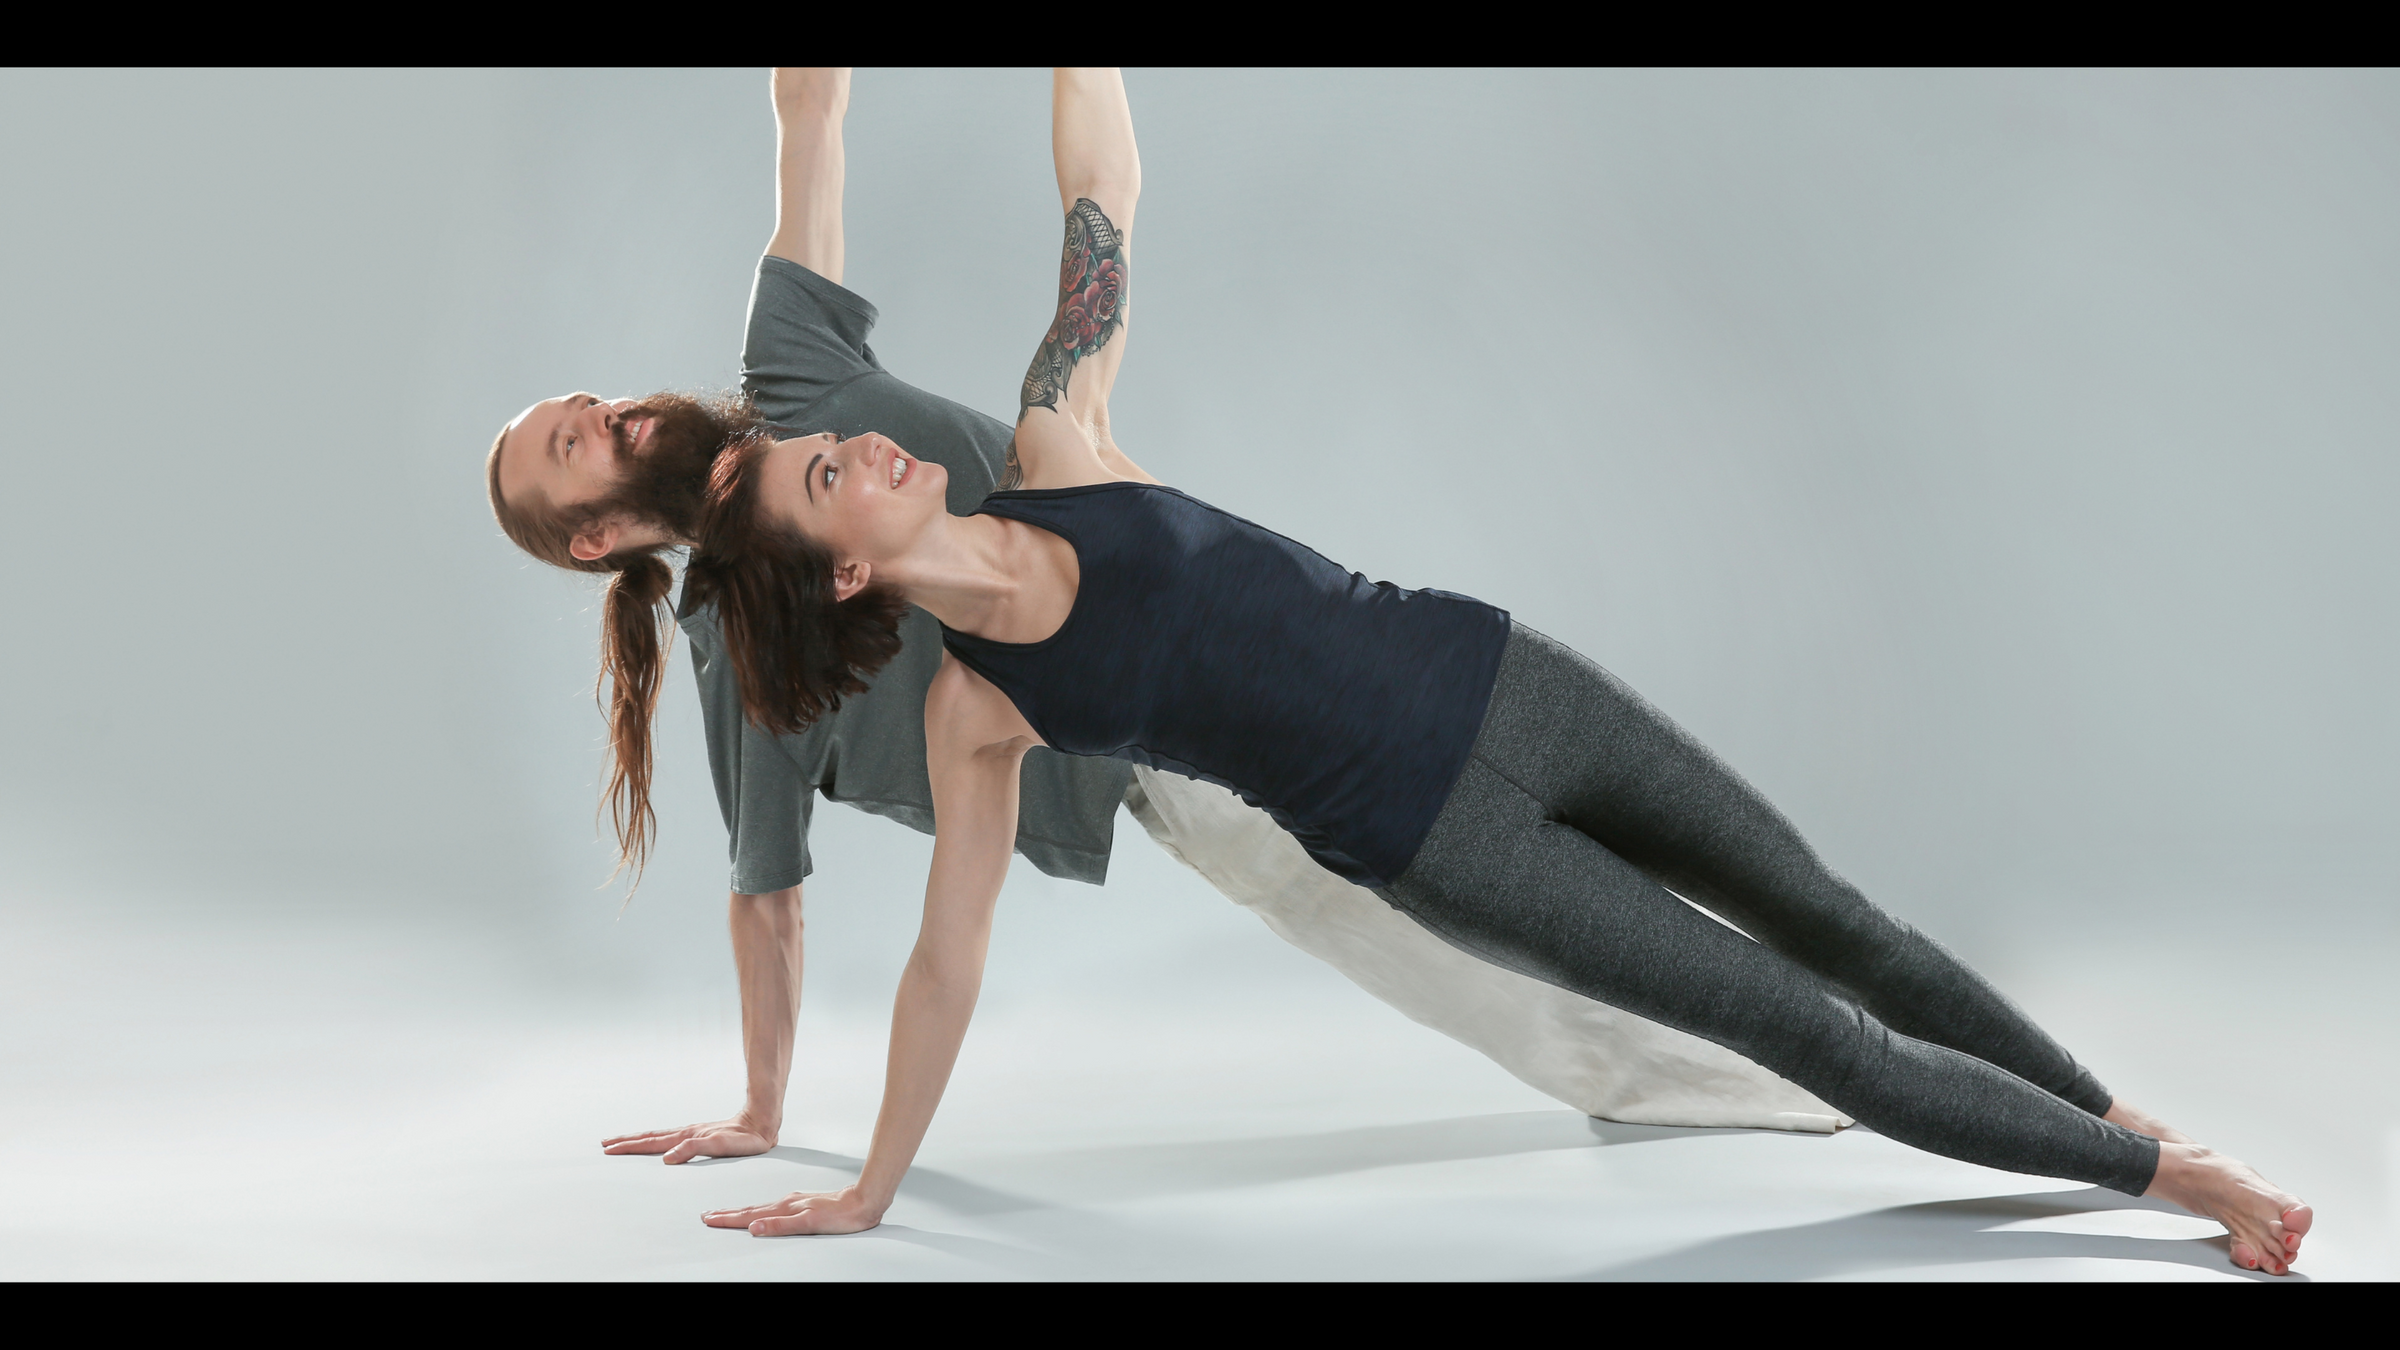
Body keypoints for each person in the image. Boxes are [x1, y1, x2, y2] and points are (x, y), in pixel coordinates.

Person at [684, 69, 2313, 1275]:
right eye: (830, 476)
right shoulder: (984, 716)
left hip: (1515, 678)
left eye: (838, 443)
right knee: (1817, 1032)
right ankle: (2175, 1184)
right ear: (841, 569)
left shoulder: (1058, 441)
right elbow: (940, 973)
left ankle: (2123, 1127)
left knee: (1847, 926)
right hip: (1445, 846)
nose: (870, 448)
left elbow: (1100, 190)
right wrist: (870, 1188)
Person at [482, 65, 1852, 1184]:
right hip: (1158, 753)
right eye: (568, 448)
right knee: (1459, 942)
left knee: (1542, 809)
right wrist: (762, 1108)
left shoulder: (787, 370)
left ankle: (1828, 1006)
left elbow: (811, 108)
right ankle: (1804, 1069)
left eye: (575, 403)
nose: (594, 415)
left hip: (1201, 588)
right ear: (596, 535)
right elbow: (766, 895)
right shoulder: (741, 657)